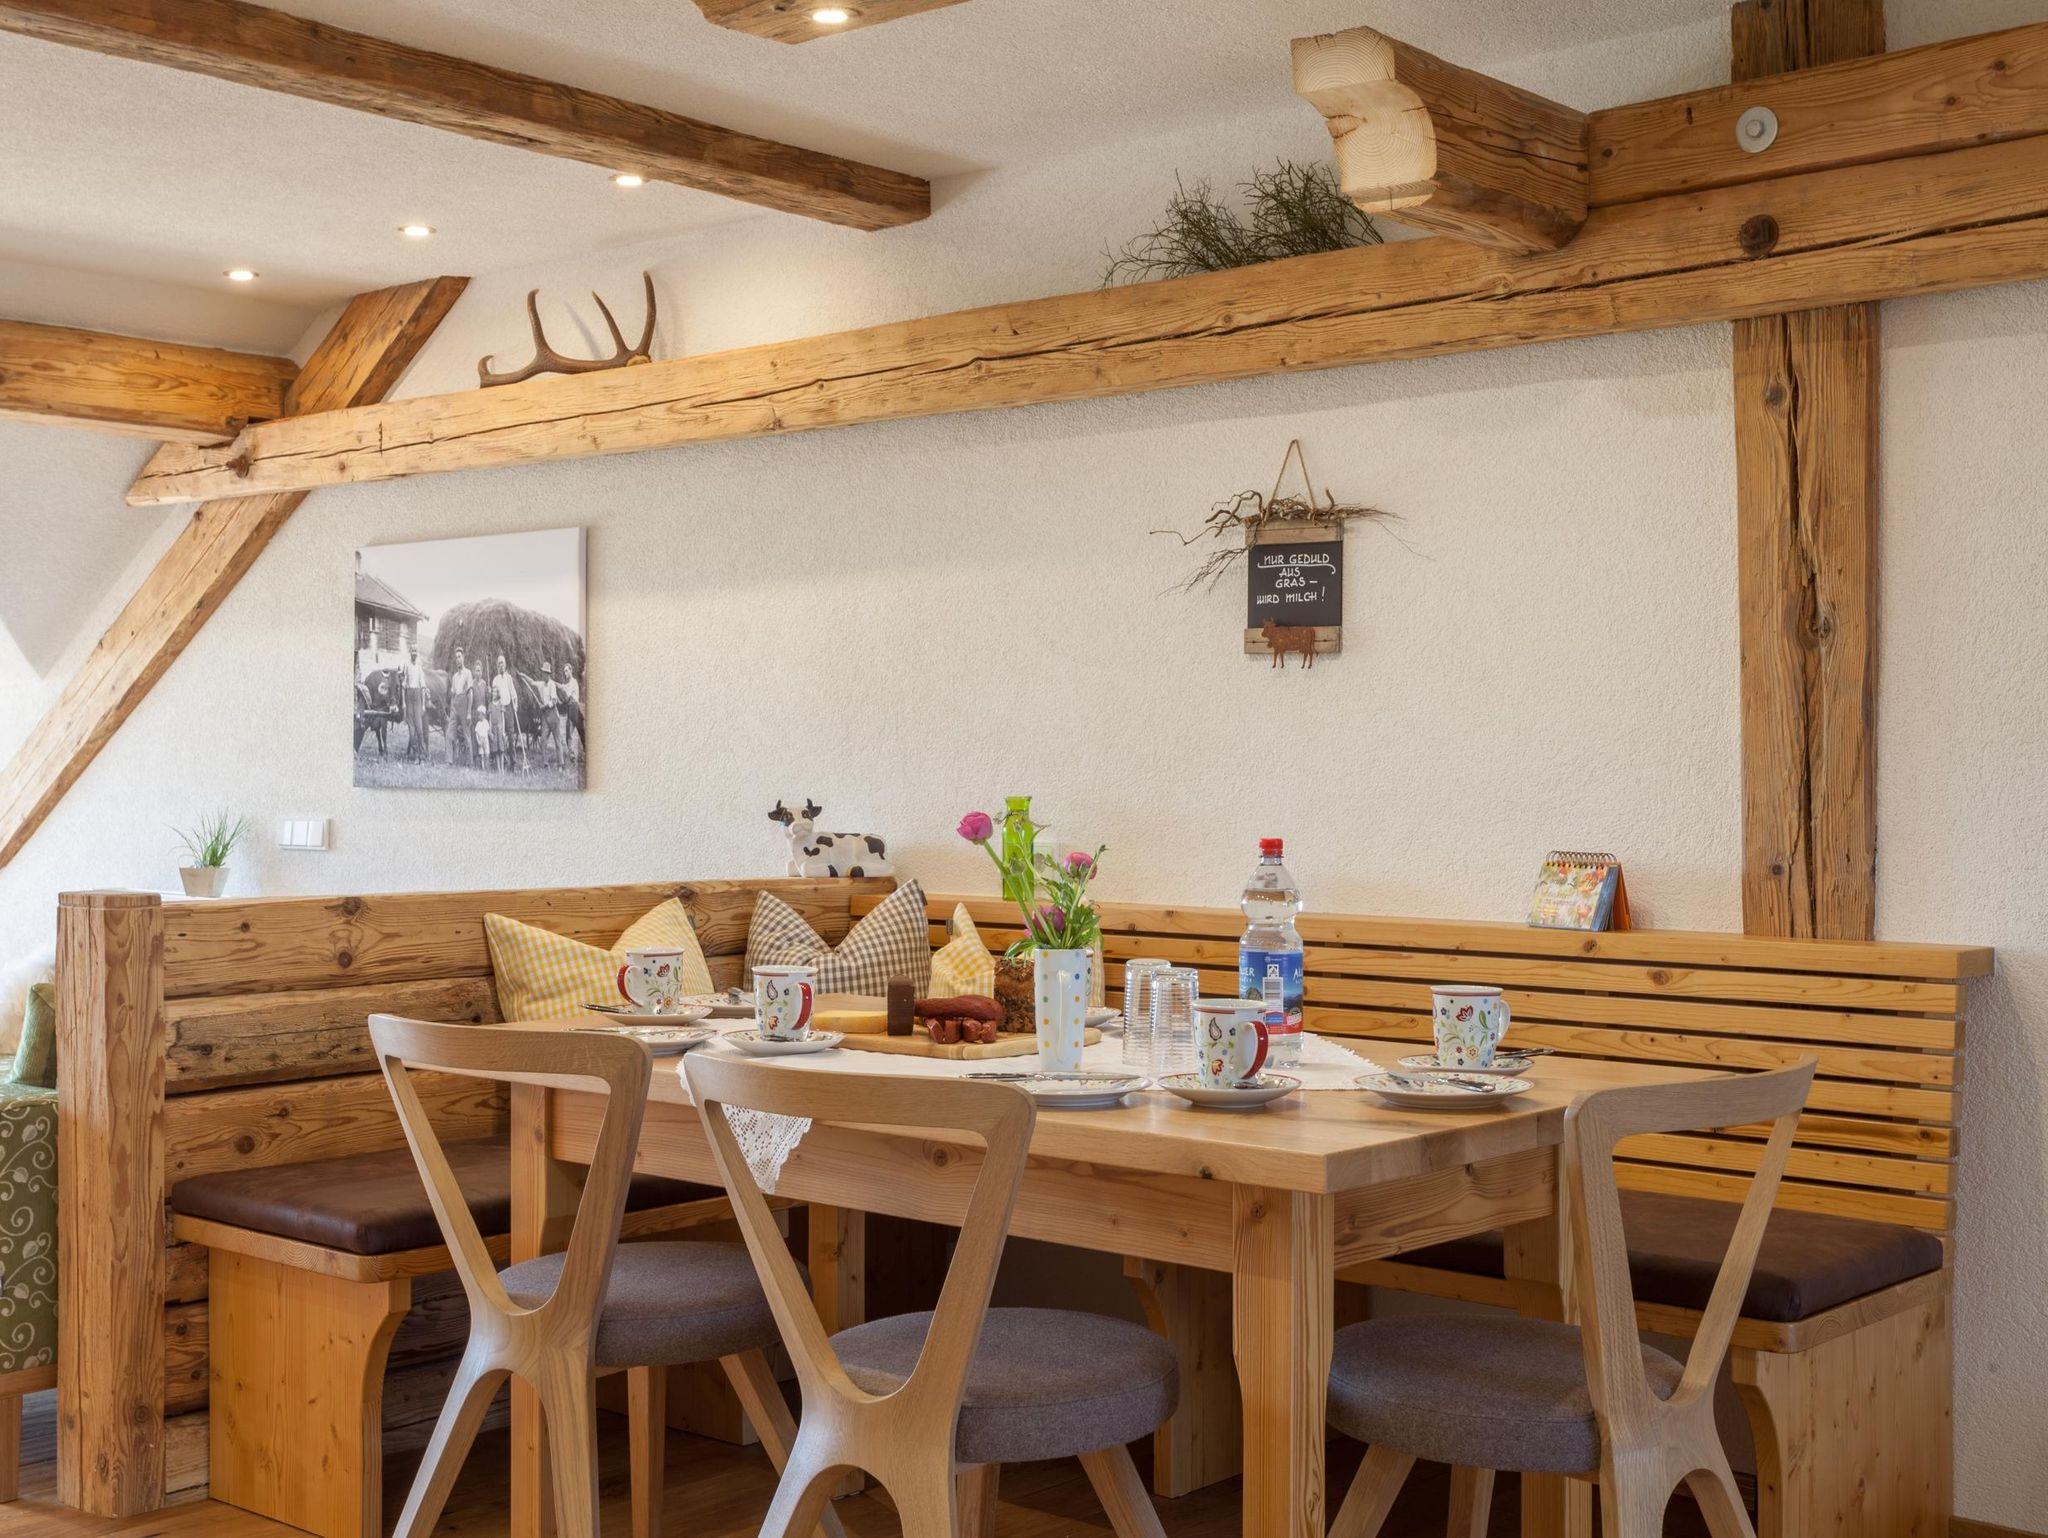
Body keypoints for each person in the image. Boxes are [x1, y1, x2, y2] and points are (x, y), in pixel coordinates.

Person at [519, 660, 562, 769]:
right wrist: (524, 676)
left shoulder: (552, 685)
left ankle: (560, 764)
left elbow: (554, 701)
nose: (543, 675)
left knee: (557, 741)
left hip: (553, 715)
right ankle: (545, 763)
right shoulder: (541, 684)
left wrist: (545, 706)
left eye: (545, 673)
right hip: (545, 717)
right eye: (542, 672)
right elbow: (532, 683)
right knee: (543, 740)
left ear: (548, 674)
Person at [445, 646, 475, 767]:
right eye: (456, 657)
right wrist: (452, 708)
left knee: (467, 735)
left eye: (459, 657)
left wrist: (469, 712)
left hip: (464, 704)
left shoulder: (468, 673)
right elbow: (453, 695)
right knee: (449, 734)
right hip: (455, 706)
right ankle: (449, 761)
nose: (457, 659)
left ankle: (470, 763)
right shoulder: (454, 676)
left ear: (463, 658)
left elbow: (470, 693)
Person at [489, 654, 517, 772]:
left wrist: (515, 705)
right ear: (497, 666)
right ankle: (502, 761)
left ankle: (513, 763)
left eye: (502, 663)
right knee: (499, 736)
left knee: (510, 736)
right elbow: (494, 696)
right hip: (499, 710)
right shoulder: (495, 680)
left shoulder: (509, 678)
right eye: (499, 663)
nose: (501, 665)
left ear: (505, 665)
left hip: (508, 708)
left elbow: (514, 694)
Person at [401, 647, 428, 763]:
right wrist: (403, 702)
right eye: (412, 651)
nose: (414, 653)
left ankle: (422, 754)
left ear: (417, 654)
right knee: (411, 731)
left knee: (420, 729)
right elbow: (403, 686)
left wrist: (423, 705)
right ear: (410, 653)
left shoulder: (419, 667)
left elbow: (423, 687)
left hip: (417, 697)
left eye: (416, 651)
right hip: (409, 697)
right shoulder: (406, 666)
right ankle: (416, 754)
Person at [558, 663, 584, 765]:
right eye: (564, 671)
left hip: (575, 709)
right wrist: (553, 682)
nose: (565, 673)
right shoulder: (567, 684)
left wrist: (561, 702)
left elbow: (568, 697)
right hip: (570, 710)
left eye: (567, 671)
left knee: (582, 733)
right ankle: (572, 756)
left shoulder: (573, 682)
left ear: (571, 671)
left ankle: (586, 754)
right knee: (568, 734)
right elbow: (561, 686)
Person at [472, 703, 492, 769]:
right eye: (478, 715)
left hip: (485, 739)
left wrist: (490, 735)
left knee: (487, 753)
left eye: (480, 715)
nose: (478, 716)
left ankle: (487, 766)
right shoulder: (478, 723)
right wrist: (478, 741)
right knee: (482, 754)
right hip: (480, 739)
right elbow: (476, 733)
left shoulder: (486, 722)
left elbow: (488, 731)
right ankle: (483, 767)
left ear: (483, 715)